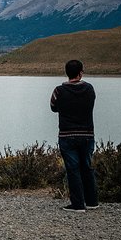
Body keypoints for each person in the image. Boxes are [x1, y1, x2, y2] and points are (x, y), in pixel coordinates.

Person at [50, 59, 98, 213]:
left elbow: (53, 107)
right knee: (87, 167)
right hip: (87, 134)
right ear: (80, 73)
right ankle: (92, 201)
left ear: (67, 73)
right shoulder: (89, 89)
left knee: (73, 169)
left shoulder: (59, 91)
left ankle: (77, 204)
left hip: (67, 135)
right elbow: (91, 103)